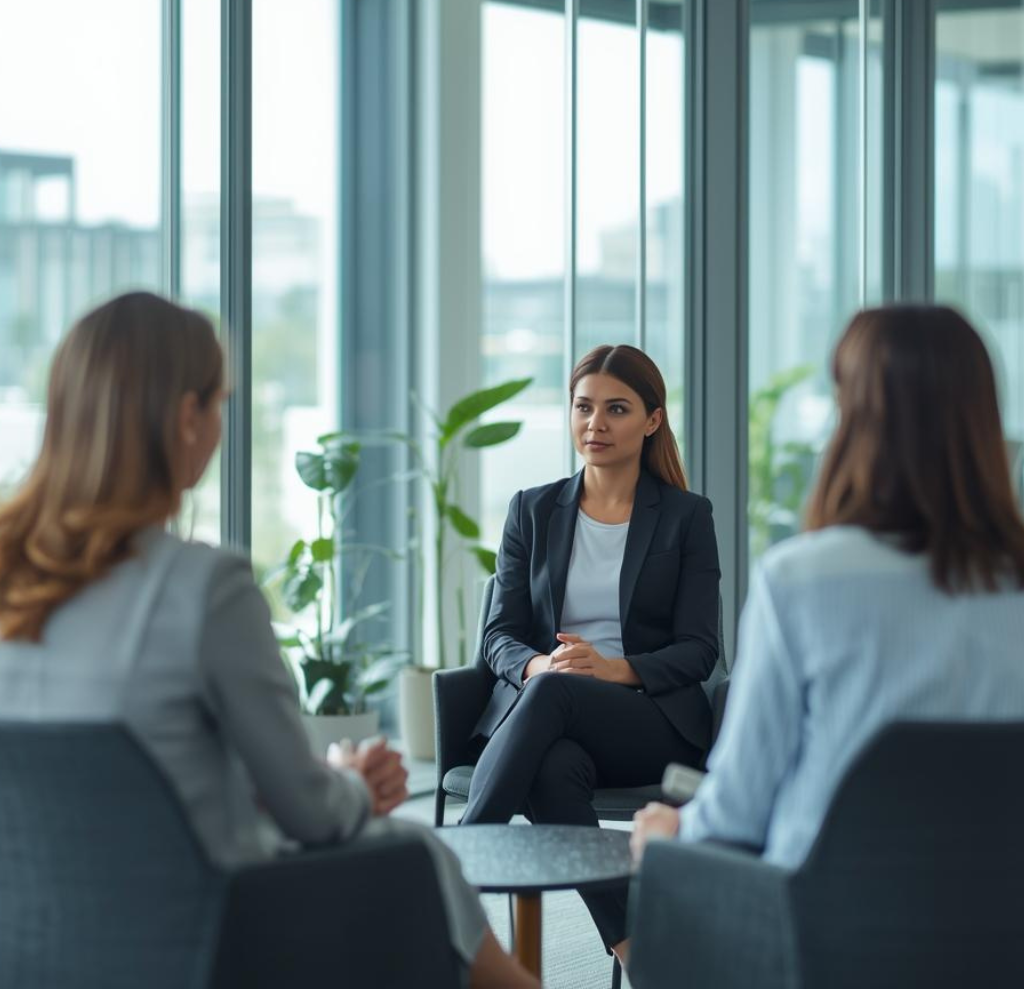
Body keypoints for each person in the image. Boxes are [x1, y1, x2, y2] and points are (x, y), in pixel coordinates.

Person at [0, 291, 537, 989]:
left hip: (42, 944)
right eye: (220, 404)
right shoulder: (203, 588)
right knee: (415, 857)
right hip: (209, 938)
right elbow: (310, 815)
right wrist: (350, 782)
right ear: (187, 417)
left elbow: (114, 782)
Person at [632, 304, 1024, 872]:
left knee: (666, 850)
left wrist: (674, 828)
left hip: (820, 941)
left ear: (855, 421)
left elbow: (738, 813)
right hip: (1000, 941)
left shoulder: (801, 583)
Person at [461, 344, 722, 962]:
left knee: (554, 696)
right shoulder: (532, 508)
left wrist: (614, 669)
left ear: (652, 420)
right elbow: (500, 632)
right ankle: (638, 952)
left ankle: (455, 872)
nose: (594, 424)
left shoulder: (686, 517)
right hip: (550, 709)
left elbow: (701, 649)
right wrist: (537, 666)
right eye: (583, 407)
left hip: (648, 719)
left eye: (616, 409)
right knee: (553, 770)